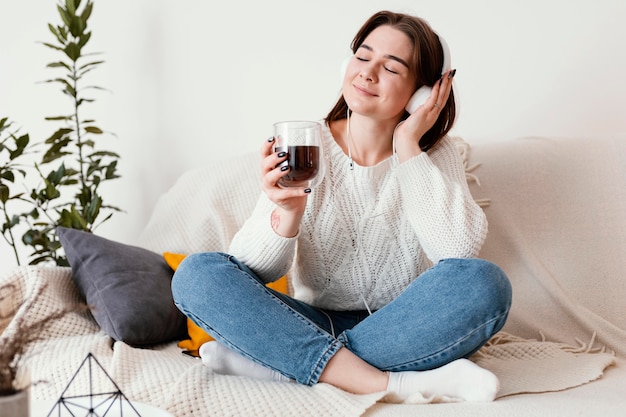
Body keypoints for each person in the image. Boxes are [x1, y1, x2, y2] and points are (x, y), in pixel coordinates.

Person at [171, 10, 512, 403]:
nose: (368, 73)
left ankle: (283, 364)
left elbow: (457, 253)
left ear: (422, 92)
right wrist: (285, 210)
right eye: (363, 57)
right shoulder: (306, 145)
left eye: (392, 67)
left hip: (407, 328)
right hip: (311, 321)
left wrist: (407, 147)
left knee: (486, 283)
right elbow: (254, 270)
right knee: (196, 275)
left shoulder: (432, 155)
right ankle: (389, 384)